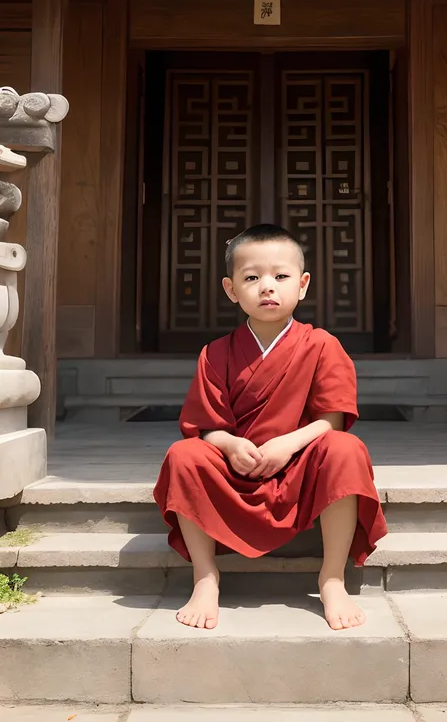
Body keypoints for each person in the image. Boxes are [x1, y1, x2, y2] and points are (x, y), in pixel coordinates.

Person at [154, 224, 387, 633]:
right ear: (231, 289)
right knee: (183, 455)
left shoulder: (322, 345)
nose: (267, 287)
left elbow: (332, 419)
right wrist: (228, 444)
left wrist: (286, 446)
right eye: (251, 277)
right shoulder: (216, 353)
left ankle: (332, 577)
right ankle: (205, 577)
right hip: (236, 467)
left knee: (345, 449)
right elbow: (203, 425)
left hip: (297, 464)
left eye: (280, 277)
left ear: (303, 284)